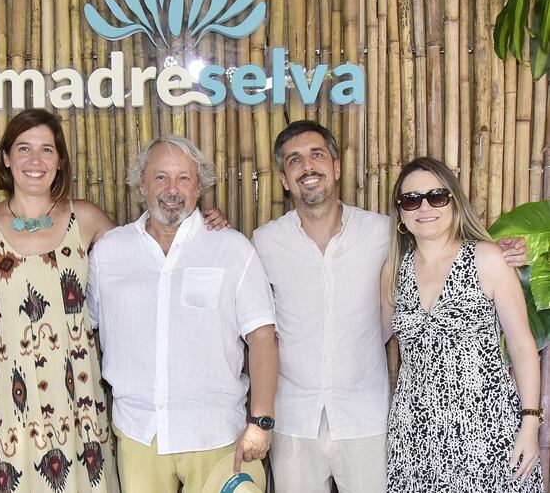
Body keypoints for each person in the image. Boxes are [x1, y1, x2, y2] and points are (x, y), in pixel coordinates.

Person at [251, 120, 528, 492]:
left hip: (366, 418)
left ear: (336, 167)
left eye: (317, 155)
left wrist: (506, 248)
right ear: (284, 179)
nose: (307, 166)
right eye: (294, 160)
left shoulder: (382, 233)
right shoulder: (264, 242)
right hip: (294, 420)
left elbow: (444, 243)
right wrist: (207, 221)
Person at [0, 111, 227, 492]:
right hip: (3, 395)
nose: (35, 160)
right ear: (6, 158)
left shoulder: (85, 219)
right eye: (23, 148)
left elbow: (148, 253)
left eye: (46, 150)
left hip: (74, 392)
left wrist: (200, 223)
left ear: (60, 160)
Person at [87, 135, 278, 493]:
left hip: (217, 434)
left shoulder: (231, 248)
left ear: (199, 188)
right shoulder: (109, 252)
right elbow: (82, 329)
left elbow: (263, 337)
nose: (172, 189)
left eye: (183, 178)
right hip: (139, 434)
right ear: (141, 185)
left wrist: (261, 422)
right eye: (160, 177)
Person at [380, 157, 544, 492]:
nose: (424, 207)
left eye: (436, 196)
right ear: (400, 213)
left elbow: (523, 346)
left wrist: (530, 424)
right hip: (415, 436)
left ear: (454, 202)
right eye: (411, 199)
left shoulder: (487, 258)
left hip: (486, 428)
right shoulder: (393, 271)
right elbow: (373, 339)